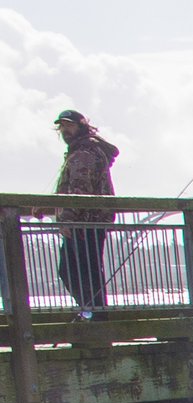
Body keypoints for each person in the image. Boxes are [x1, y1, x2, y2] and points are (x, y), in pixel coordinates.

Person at [49, 109, 118, 318]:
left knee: (75, 271)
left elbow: (80, 189)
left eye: (69, 125)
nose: (65, 130)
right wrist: (47, 206)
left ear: (81, 126)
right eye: (62, 126)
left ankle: (96, 315)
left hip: (84, 221)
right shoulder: (82, 149)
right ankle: (95, 313)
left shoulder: (84, 152)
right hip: (89, 221)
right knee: (87, 271)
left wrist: (67, 220)